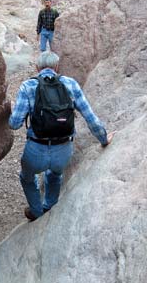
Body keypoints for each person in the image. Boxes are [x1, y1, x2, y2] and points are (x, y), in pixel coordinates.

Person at [9, 51, 114, 221]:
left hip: (35, 151)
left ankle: (36, 212)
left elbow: (14, 124)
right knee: (55, 174)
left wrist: (12, 109)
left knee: (27, 178)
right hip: (63, 151)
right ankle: (50, 206)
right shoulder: (71, 84)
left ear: (37, 68)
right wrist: (104, 138)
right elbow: (90, 118)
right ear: (57, 67)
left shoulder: (28, 86)